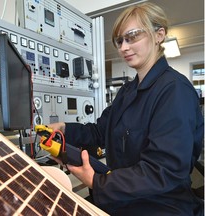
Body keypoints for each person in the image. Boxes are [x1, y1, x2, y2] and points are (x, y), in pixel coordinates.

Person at [47, 2, 204, 216]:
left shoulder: (174, 90)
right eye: (119, 41)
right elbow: (100, 131)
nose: (123, 48)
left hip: (160, 207)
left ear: (159, 35)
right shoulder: (128, 91)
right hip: (123, 199)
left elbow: (163, 171)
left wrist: (98, 181)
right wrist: (66, 131)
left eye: (132, 37)